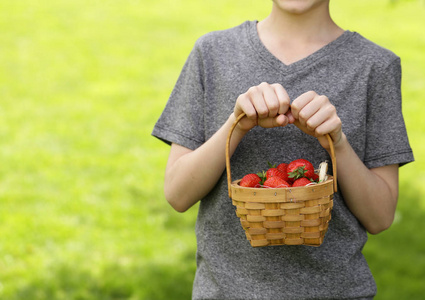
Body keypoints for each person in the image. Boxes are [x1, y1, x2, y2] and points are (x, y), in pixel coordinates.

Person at [152, 0, 414, 299]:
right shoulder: (212, 53)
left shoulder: (375, 65)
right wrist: (235, 126)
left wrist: (338, 143)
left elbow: (380, 217)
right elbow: (177, 194)